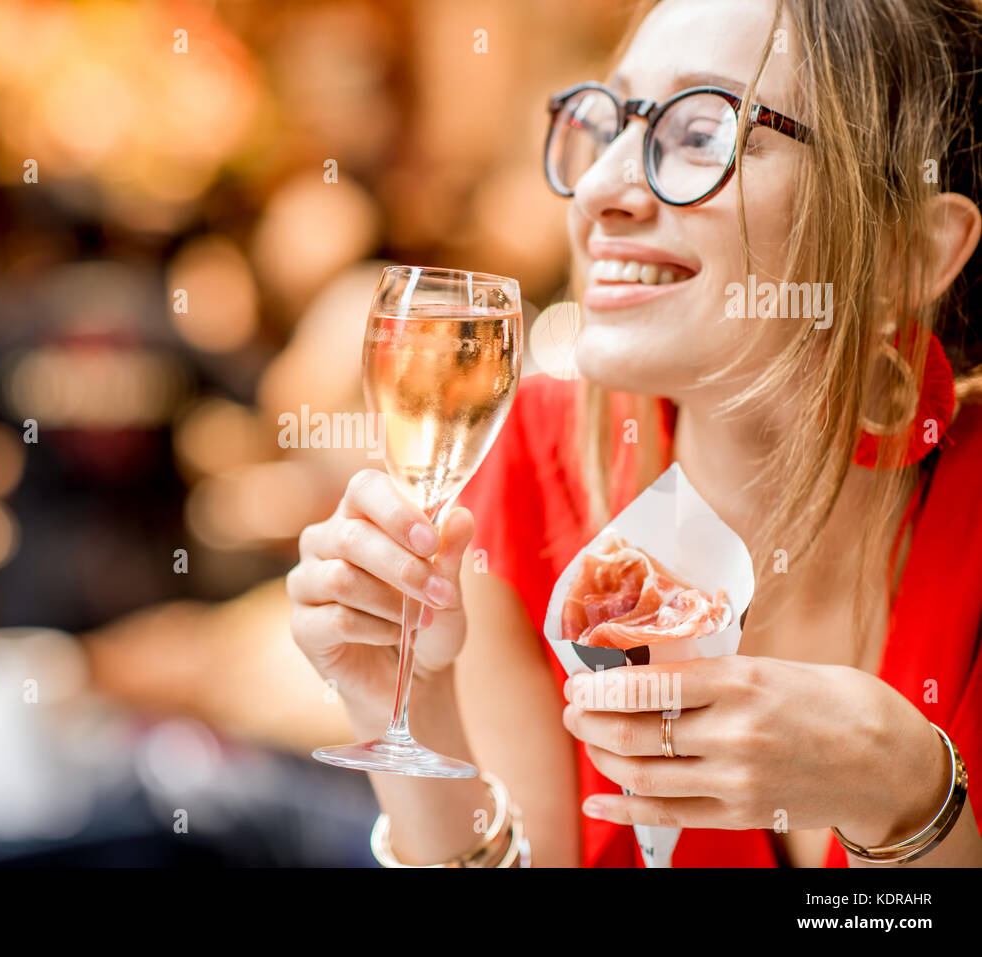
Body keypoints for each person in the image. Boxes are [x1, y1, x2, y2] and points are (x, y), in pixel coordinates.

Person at [286, 0, 982, 867]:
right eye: (610, 123)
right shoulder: (534, 459)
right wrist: (410, 702)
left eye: (703, 133)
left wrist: (907, 794)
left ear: (905, 253)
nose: (598, 189)